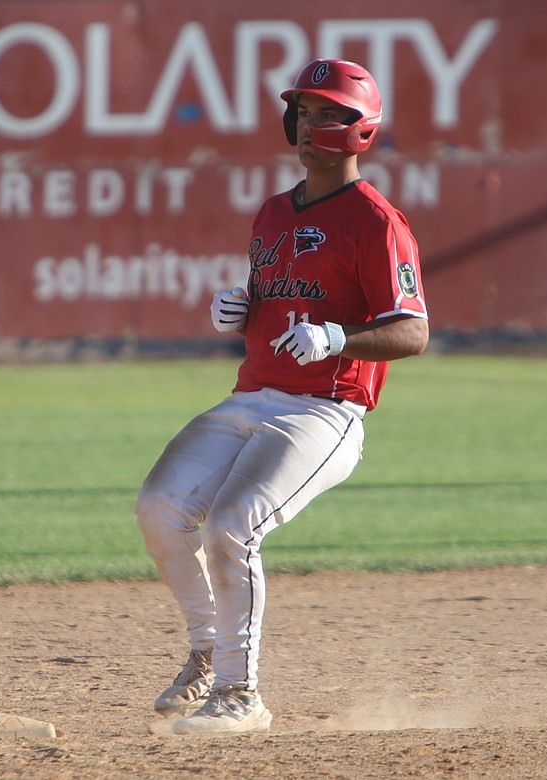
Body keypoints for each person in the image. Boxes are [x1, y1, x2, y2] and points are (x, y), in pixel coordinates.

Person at [135, 58, 429, 736]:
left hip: (324, 412)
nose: (309, 123)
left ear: (361, 128)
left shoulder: (378, 221)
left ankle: (241, 697)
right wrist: (242, 309)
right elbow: (276, 297)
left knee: (231, 525)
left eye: (327, 112)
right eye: (303, 110)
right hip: (250, 397)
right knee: (159, 508)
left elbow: (412, 332)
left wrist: (336, 338)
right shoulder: (273, 211)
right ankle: (208, 651)